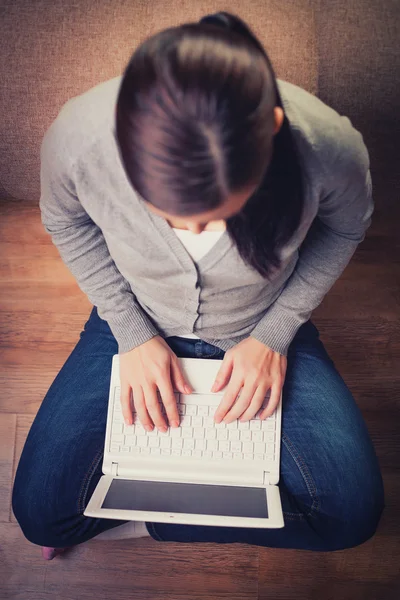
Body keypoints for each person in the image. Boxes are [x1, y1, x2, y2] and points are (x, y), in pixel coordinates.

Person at [12, 11, 384, 560]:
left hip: (262, 321)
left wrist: (275, 334)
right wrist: (133, 333)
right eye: (167, 216)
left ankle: (146, 524)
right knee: (41, 518)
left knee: (353, 517)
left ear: (272, 135)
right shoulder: (79, 136)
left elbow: (348, 226)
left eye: (218, 216)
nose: (194, 236)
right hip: (133, 317)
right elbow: (66, 221)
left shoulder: (329, 148)